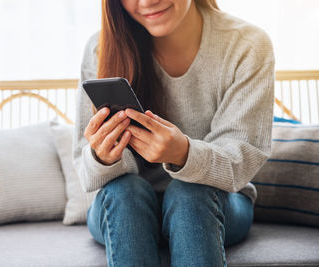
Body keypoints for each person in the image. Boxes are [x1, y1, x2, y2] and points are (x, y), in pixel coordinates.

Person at [72, 0, 274, 266]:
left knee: (189, 193)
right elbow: (86, 172)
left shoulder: (246, 44)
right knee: (125, 193)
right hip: (127, 204)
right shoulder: (101, 47)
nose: (146, 2)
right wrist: (103, 158)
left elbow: (242, 157)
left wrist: (184, 153)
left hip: (216, 201)